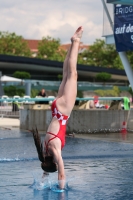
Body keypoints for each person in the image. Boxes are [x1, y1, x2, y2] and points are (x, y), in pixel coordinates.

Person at [32, 26, 83, 189]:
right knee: (66, 74)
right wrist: (42, 180)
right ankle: (72, 44)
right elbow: (46, 168)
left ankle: (76, 41)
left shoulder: (53, 150)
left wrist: (61, 191)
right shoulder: (44, 150)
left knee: (73, 74)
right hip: (55, 109)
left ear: (52, 160)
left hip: (63, 110)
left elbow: (61, 171)